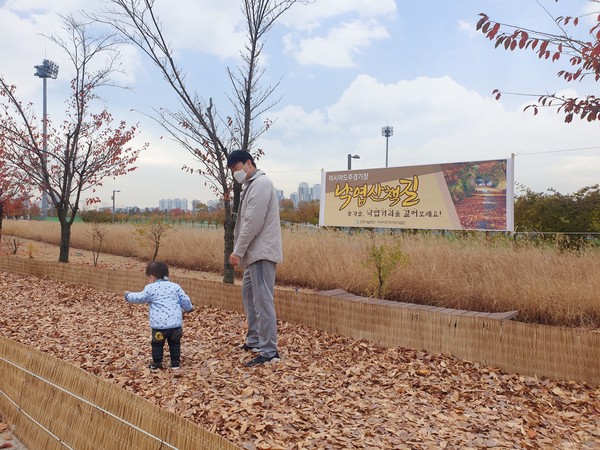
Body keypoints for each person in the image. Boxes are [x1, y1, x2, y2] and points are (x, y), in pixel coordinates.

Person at [227, 150, 283, 367]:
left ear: (248, 163)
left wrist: (238, 250)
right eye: (232, 170)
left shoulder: (260, 184)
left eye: (236, 167)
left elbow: (252, 222)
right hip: (254, 254)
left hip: (261, 253)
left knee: (263, 301)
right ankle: (255, 340)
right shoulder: (251, 185)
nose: (234, 173)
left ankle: (270, 351)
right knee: (249, 296)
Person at [125, 261, 194, 370]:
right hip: (175, 326)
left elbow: (140, 298)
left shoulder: (151, 288)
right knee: (175, 343)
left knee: (157, 345)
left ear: (152, 277)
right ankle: (175, 363)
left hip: (159, 327)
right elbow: (185, 300)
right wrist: (189, 308)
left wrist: (128, 295)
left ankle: (157, 363)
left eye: (148, 278)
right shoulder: (175, 287)